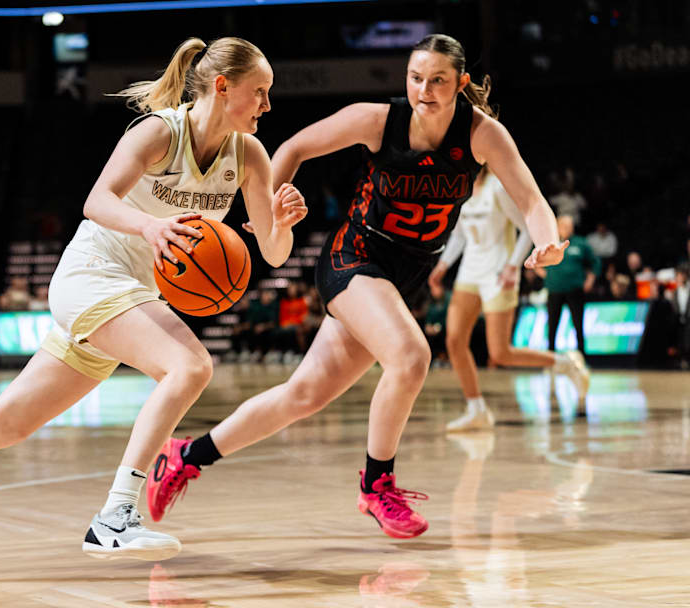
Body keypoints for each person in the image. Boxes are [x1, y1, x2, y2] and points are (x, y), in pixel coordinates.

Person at [0, 36, 306, 582]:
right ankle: (116, 514)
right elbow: (97, 201)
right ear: (223, 87)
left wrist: (284, 224)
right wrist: (148, 224)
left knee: (4, 426)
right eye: (260, 92)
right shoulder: (159, 132)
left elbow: (272, 252)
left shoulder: (248, 154)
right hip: (90, 277)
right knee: (191, 366)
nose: (268, 105)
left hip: (130, 295)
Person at [147, 34, 566, 540]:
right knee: (411, 356)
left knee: (303, 394)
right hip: (354, 259)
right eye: (415, 78)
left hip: (398, 279)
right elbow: (294, 147)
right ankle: (377, 484)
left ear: (461, 83)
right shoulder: (378, 120)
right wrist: (266, 212)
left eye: (437, 80)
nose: (424, 90)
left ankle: (185, 457)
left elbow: (531, 200)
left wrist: (548, 243)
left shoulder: (482, 134)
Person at [428, 171, 590, 432]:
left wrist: (513, 266)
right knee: (454, 340)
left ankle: (564, 363)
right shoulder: (458, 187)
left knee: (500, 353)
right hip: (470, 271)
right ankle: (476, 409)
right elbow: (459, 235)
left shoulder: (497, 188)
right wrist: (443, 266)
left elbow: (526, 228)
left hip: (499, 272)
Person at [534, 216, 598, 355]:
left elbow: (595, 262)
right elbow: (534, 260)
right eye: (563, 225)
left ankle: (581, 356)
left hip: (574, 289)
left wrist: (590, 280)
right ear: (557, 226)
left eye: (569, 225)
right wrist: (546, 275)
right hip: (554, 289)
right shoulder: (549, 243)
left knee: (578, 323)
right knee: (552, 324)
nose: (567, 228)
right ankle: (550, 357)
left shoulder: (581, 243)